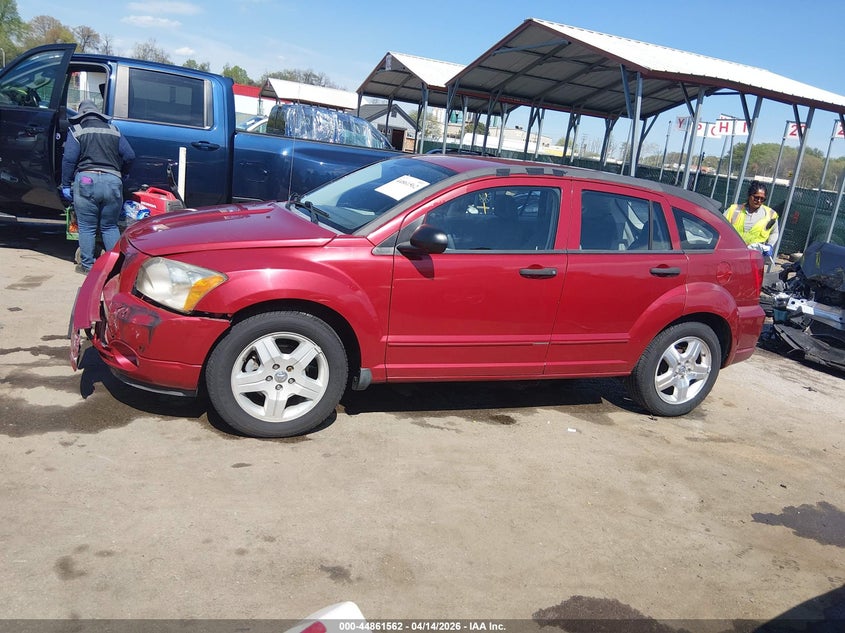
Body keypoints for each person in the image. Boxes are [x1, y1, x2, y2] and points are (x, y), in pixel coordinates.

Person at [61, 100, 135, 274]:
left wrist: (65, 184)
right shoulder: (114, 131)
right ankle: (116, 268)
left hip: (87, 181)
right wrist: (122, 173)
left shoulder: (77, 130)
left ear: (81, 115)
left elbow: (69, 159)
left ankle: (87, 266)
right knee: (109, 226)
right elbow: (130, 155)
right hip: (113, 181)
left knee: (87, 226)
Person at [723, 181, 779, 258]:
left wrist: (770, 245)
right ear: (749, 196)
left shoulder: (771, 215)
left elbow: (774, 232)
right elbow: (720, 226)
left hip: (753, 257)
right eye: (756, 197)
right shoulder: (734, 210)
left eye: (762, 199)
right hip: (731, 253)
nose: (759, 201)